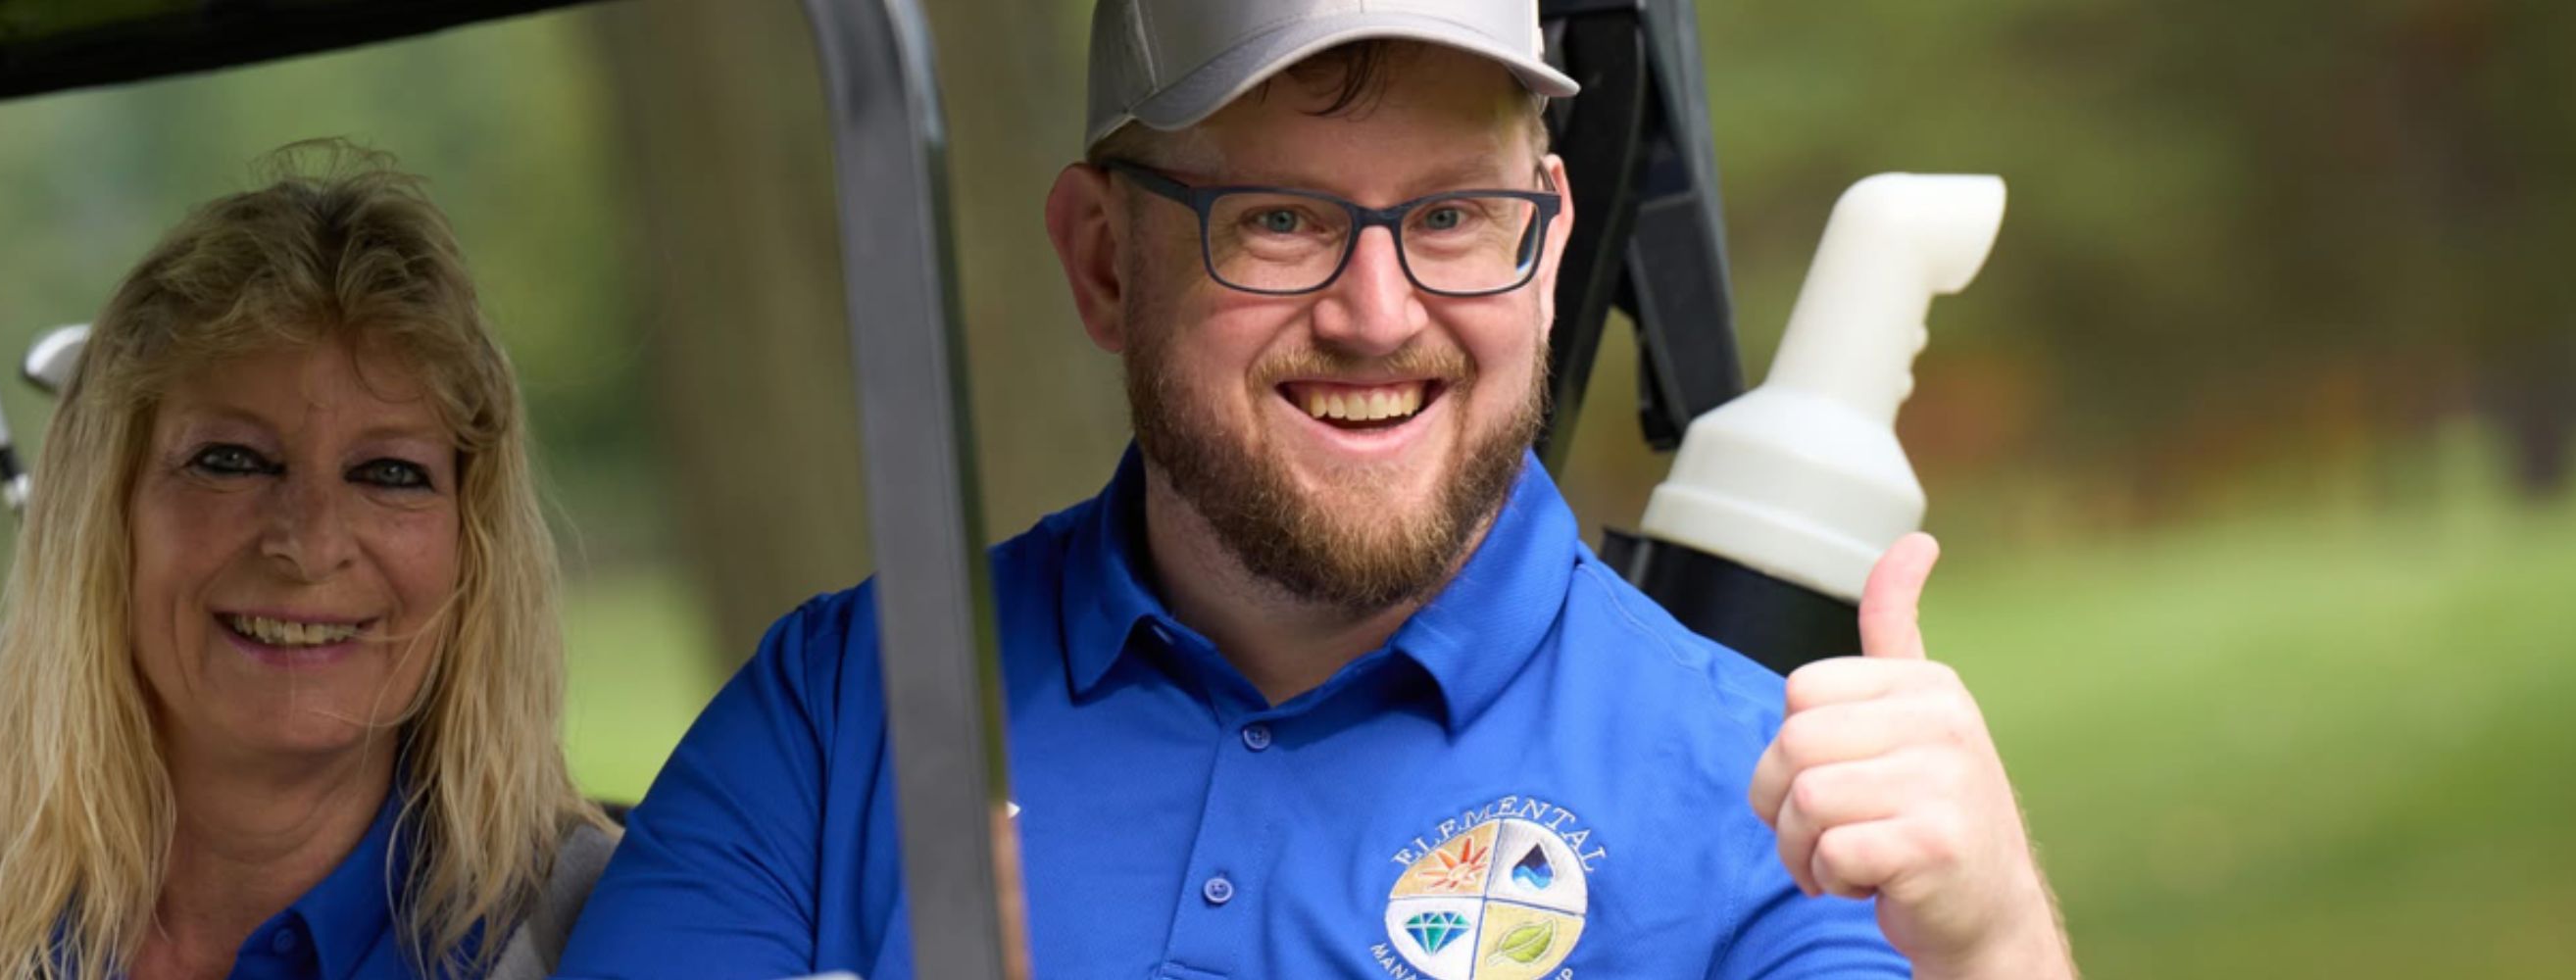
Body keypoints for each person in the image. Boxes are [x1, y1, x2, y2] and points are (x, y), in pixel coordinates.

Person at [560, 2, 2074, 977]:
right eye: (1278, 219)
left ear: (1546, 240)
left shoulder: (1759, 800)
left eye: (1455, 216)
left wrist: (2000, 944)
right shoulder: (844, 716)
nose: (1377, 311)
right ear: (1101, 259)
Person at [0, 143, 616, 980]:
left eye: (389, 473)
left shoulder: (607, 930)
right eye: (231, 461)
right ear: (104, 519)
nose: (309, 545)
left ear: (470, 554)